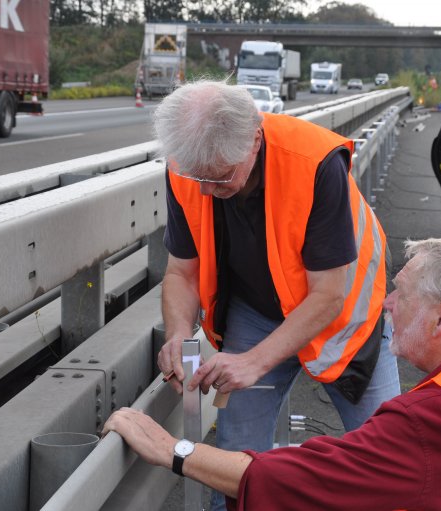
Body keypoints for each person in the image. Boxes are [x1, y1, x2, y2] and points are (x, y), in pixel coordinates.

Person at [104, 237, 441, 511]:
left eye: (403, 292)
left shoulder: (437, 419)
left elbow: (303, 480)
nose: (387, 302)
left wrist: (172, 450)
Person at [153, 80, 401, 510]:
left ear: (255, 138)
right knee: (235, 455)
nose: (207, 191)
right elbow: (181, 271)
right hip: (258, 308)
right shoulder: (186, 166)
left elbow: (327, 295)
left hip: (349, 320)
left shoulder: (315, 163)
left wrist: (254, 361)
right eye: (199, 178)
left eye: (220, 177)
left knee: (388, 456)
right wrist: (177, 333)